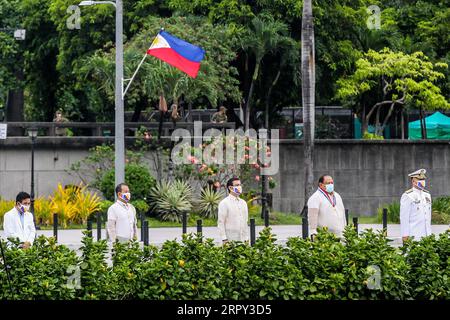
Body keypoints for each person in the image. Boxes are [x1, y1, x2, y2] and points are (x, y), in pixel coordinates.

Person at [307, 175, 346, 239]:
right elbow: (312, 217)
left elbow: (343, 214)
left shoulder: (337, 196)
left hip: (339, 234)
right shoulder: (315, 197)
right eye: (328, 183)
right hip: (324, 236)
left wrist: (345, 229)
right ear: (321, 185)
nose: (331, 185)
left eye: (332, 183)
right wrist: (313, 232)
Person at [400, 169, 432, 242]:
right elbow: (404, 218)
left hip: (427, 235)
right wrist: (405, 235)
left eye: (423, 179)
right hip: (414, 235)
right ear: (413, 181)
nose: (422, 181)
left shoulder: (427, 195)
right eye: (419, 179)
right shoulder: (408, 196)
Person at [217, 177, 249, 244]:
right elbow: (221, 222)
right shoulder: (224, 203)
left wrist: (246, 238)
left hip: (243, 240)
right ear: (230, 188)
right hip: (230, 240)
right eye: (237, 185)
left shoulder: (243, 203)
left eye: (240, 185)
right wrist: (224, 239)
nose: (239, 187)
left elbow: (245, 221)